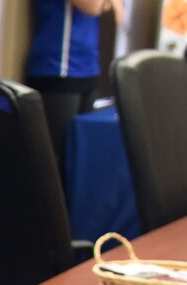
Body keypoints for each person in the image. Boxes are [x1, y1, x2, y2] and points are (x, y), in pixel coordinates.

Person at [26, 0, 121, 177]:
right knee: (56, 161)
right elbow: (93, 7)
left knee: (79, 160)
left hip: (88, 67)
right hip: (57, 69)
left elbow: (118, 14)